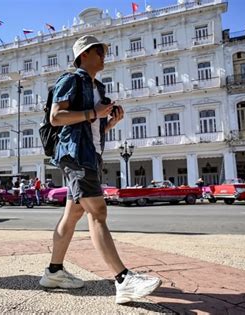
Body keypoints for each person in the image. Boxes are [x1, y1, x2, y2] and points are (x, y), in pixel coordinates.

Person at [39, 35, 161, 304]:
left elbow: (89, 126)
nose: (104, 55)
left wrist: (108, 122)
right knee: (98, 210)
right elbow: (56, 117)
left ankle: (54, 272)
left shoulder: (98, 86)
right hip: (75, 155)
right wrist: (94, 113)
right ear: (83, 54)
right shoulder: (71, 79)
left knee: (73, 215)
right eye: (98, 51)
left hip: (90, 154)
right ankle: (123, 279)